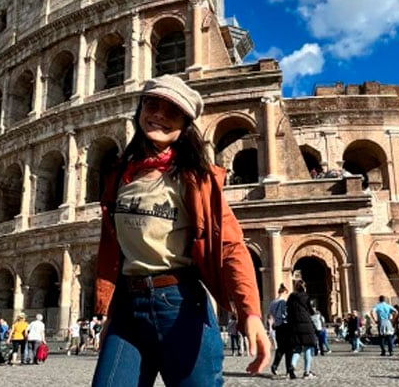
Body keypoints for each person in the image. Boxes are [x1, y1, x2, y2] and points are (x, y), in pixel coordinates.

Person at [91, 75, 270, 386]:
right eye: (153, 104)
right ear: (140, 109)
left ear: (185, 125)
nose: (159, 114)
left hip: (180, 302)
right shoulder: (119, 175)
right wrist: (110, 311)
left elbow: (230, 246)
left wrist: (250, 313)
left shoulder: (196, 178)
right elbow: (115, 250)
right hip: (127, 309)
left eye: (172, 111)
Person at [286, 280, 318, 379]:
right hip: (306, 324)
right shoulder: (306, 297)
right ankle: (307, 372)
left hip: (294, 325)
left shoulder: (291, 297)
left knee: (298, 348)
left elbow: (288, 310)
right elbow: (311, 311)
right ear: (304, 287)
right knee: (308, 348)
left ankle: (292, 365)